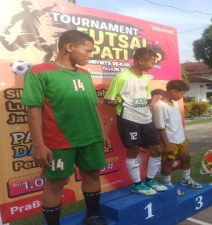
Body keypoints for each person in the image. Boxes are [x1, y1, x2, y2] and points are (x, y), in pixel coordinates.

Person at [21, 30, 110, 225]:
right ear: (69, 47)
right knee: (55, 183)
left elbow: (92, 106)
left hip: (91, 138)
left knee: (93, 174)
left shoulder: (86, 75)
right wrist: (38, 144)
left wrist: (101, 132)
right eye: (88, 50)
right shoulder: (39, 71)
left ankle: (93, 216)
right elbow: (33, 109)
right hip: (59, 142)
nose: (90, 55)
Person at [104, 47, 167, 196]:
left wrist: (151, 102)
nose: (153, 65)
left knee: (157, 149)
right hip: (128, 118)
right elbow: (108, 99)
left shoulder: (145, 78)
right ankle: (137, 184)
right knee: (133, 150)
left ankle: (150, 180)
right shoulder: (122, 77)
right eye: (152, 62)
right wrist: (120, 103)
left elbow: (145, 99)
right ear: (141, 61)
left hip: (145, 118)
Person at [152, 80, 203, 190]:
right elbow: (160, 128)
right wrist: (167, 144)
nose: (181, 96)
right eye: (181, 94)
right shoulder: (159, 106)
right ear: (173, 91)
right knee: (168, 163)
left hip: (181, 139)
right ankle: (167, 184)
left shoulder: (174, 104)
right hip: (169, 141)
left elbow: (178, 122)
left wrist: (184, 136)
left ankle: (186, 179)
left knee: (186, 158)